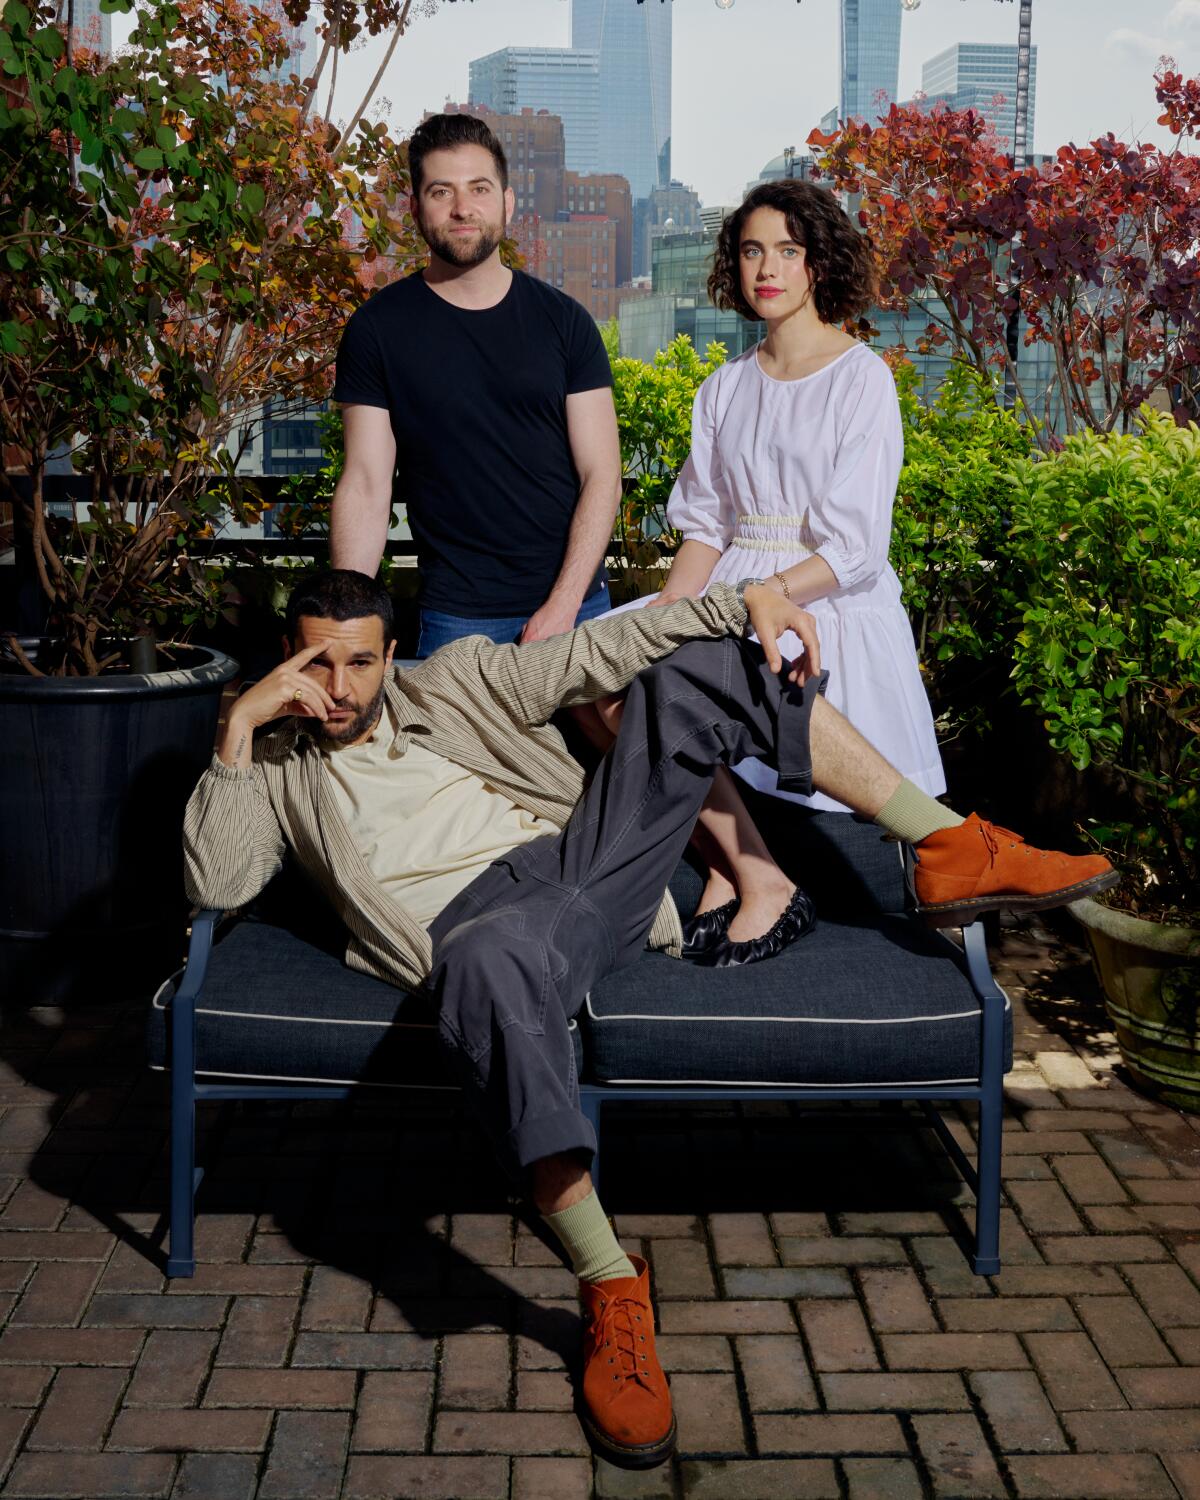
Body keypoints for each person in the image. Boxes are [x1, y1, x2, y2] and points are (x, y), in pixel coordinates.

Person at [183, 568, 1116, 1471]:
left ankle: (950, 845)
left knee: (708, 667)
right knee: (483, 958)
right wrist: (236, 726)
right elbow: (218, 882)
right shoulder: (271, 765)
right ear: (284, 660)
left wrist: (734, 600)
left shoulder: (455, 678)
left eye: (359, 663)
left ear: (393, 654)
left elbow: (597, 650)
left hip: (582, 868)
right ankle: (612, 1289)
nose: (339, 689)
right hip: (479, 936)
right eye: (316, 665)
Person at [598, 178, 944, 968]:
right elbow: (709, 527)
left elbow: (856, 547)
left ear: (818, 263)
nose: (768, 268)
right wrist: (662, 622)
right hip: (729, 589)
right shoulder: (723, 386)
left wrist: (769, 596)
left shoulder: (863, 378)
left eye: (788, 251)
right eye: (752, 250)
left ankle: (758, 879)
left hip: (820, 598)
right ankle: (742, 871)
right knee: (605, 682)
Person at [328, 111, 621, 655]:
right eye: (442, 191)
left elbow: (601, 475)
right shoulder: (377, 330)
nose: (463, 208)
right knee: (446, 746)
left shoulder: (566, 322)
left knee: (615, 740)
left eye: (479, 189)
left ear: (508, 203)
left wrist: (562, 606)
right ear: (414, 208)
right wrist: (348, 621)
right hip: (456, 615)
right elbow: (367, 483)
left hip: (577, 604)